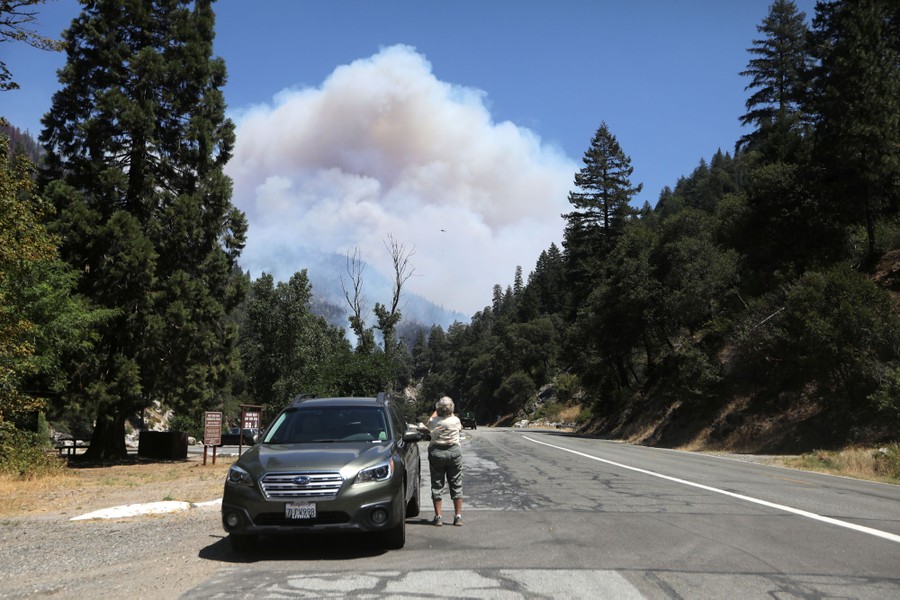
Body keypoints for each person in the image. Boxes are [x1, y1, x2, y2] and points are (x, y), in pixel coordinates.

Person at [424, 396, 464, 526]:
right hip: (454, 453)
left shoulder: (434, 421)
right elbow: (459, 427)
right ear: (451, 408)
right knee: (456, 483)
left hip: (437, 453)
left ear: (438, 408)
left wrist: (437, 411)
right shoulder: (456, 420)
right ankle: (458, 516)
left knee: (437, 484)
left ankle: (438, 516)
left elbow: (427, 425)